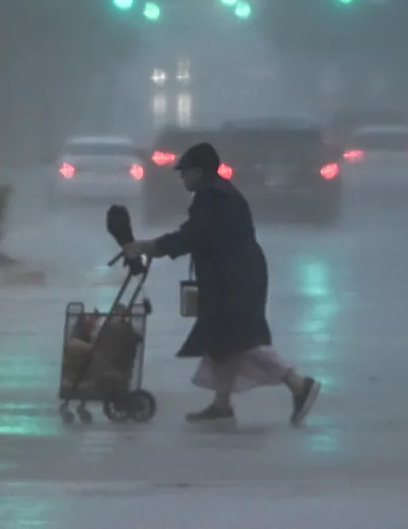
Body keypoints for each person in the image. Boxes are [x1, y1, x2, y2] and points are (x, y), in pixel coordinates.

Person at [121, 142, 321, 425]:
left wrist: (149, 246)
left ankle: (298, 384)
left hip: (235, 277)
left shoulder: (214, 197)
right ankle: (222, 403)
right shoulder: (215, 193)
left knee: (241, 338)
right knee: (223, 342)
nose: (182, 178)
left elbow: (193, 236)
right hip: (233, 275)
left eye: (185, 172)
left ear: (199, 171)